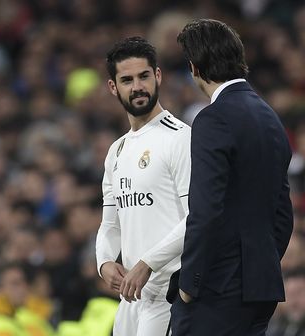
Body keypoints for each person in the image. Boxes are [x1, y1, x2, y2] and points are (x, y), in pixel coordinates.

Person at [167, 18, 293, 335]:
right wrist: (260, 264)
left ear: (194, 67)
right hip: (261, 286)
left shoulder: (213, 119)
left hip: (217, 289)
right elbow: (282, 213)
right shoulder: (270, 117)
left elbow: (206, 210)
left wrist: (189, 284)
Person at [95, 36, 191, 336]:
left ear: (157, 76)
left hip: (167, 292)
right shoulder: (117, 151)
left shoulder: (180, 138)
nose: (137, 86)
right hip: (130, 295)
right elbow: (110, 224)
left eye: (144, 76)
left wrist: (147, 262)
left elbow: (197, 216)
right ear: (114, 87)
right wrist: (105, 263)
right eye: (127, 79)